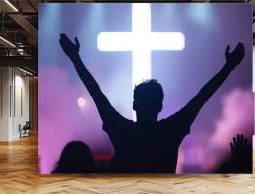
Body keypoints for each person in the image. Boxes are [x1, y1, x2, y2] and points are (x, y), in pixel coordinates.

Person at [59, 33, 245, 173]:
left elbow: (96, 93)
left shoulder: (121, 131)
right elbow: (202, 97)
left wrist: (75, 58)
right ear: (160, 106)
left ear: (134, 105)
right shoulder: (170, 131)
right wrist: (228, 67)